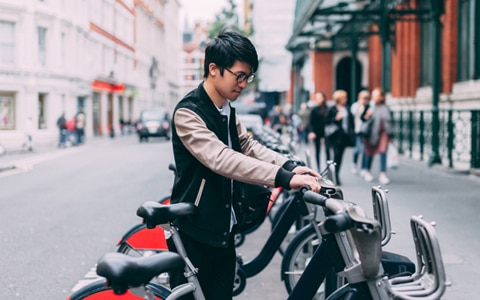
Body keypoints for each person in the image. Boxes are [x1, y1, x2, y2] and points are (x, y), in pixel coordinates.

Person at [168, 29, 322, 300]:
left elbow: (247, 146)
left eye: (247, 77)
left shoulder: (226, 107)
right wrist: (283, 178)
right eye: (239, 75)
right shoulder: (188, 112)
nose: (243, 83)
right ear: (213, 69)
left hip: (223, 230)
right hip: (196, 230)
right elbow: (222, 159)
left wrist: (289, 165)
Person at [361, 87, 394, 184]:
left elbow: (390, 122)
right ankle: (367, 171)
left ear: (382, 97)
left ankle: (383, 174)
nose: (375, 97)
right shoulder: (369, 106)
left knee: (383, 152)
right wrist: (367, 115)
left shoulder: (386, 108)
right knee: (369, 153)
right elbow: (362, 118)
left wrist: (390, 135)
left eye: (377, 95)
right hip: (371, 133)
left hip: (384, 133)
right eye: (373, 95)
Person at [324, 90, 354, 186]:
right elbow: (327, 121)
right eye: (344, 97)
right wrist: (335, 119)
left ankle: (336, 174)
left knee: (339, 156)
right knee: (334, 155)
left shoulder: (347, 109)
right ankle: (332, 175)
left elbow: (351, 122)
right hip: (334, 136)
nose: (346, 99)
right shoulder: (332, 109)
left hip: (343, 137)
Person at [307, 91, 329, 171]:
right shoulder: (314, 110)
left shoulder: (328, 109)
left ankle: (328, 169)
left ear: (323, 98)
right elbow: (311, 122)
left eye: (319, 97)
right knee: (317, 150)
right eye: (317, 98)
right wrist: (311, 132)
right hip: (317, 132)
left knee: (328, 151)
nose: (318, 99)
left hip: (327, 133)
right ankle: (319, 168)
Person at [350, 90, 370, 174]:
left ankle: (363, 168)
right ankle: (354, 164)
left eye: (366, 98)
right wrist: (360, 105)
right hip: (357, 130)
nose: (364, 100)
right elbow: (353, 115)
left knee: (365, 150)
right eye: (363, 98)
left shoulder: (369, 106)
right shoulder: (355, 106)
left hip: (366, 131)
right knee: (357, 149)